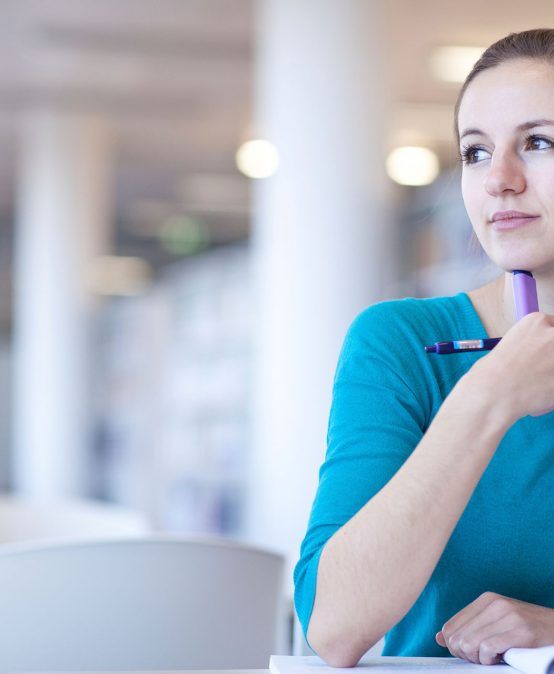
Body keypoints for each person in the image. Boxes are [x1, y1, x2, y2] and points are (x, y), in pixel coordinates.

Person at [294, 28, 554, 668]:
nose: (499, 179)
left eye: (539, 142)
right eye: (475, 153)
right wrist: (488, 399)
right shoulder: (402, 343)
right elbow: (334, 626)